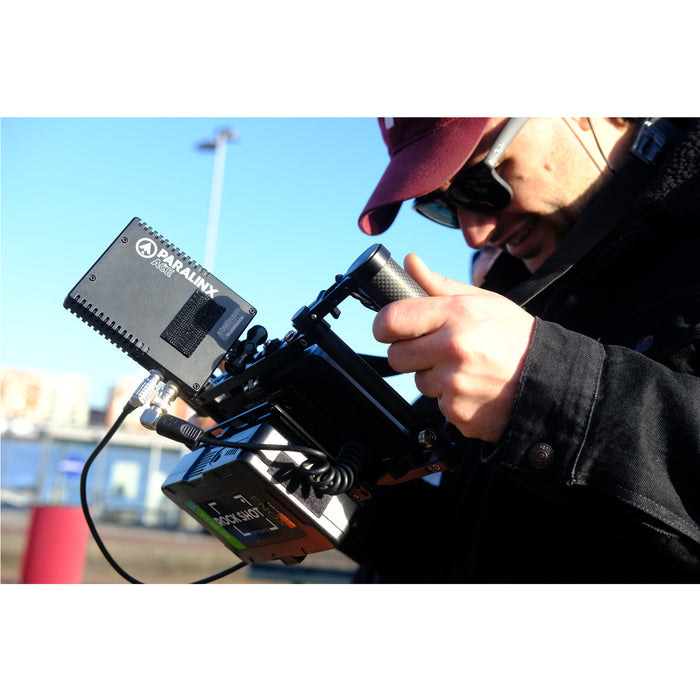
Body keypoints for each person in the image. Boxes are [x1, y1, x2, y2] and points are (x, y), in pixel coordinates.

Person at [338, 117, 700, 582]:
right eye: (442, 205)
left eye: (478, 181)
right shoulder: (508, 304)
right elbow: (464, 548)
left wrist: (539, 386)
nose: (474, 233)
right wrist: (339, 489)